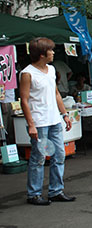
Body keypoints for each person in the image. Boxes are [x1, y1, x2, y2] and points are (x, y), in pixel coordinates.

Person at [20, 37, 75, 205]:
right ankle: (34, 193)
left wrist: (64, 114)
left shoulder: (51, 70)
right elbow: (24, 100)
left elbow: (56, 93)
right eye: (50, 50)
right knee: (39, 157)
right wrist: (31, 124)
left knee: (59, 154)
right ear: (42, 54)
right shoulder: (27, 73)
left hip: (54, 120)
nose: (53, 53)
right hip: (39, 121)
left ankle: (56, 190)